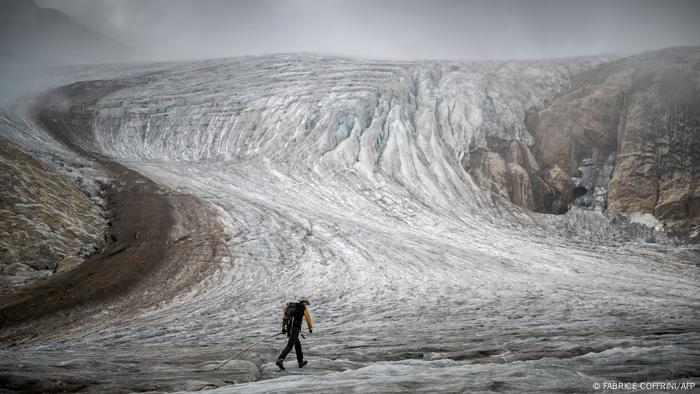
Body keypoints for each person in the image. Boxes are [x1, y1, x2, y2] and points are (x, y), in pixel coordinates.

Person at [276, 296, 313, 370]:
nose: (306, 304)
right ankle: (280, 359)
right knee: (290, 345)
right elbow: (308, 319)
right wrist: (310, 328)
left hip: (289, 328)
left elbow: (285, 316)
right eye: (306, 303)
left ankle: (300, 361)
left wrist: (284, 328)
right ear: (304, 302)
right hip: (295, 329)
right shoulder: (303, 308)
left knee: (298, 345)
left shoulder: (291, 306)